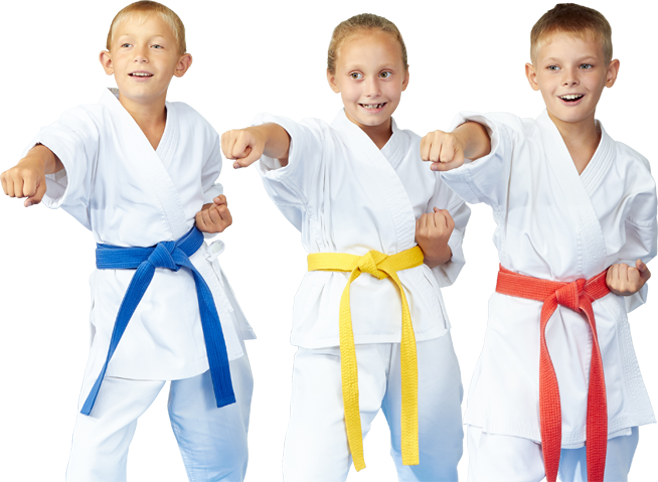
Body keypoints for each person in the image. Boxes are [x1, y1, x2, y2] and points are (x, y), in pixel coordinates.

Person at [0, 2, 255, 481]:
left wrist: (211, 219)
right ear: (107, 62)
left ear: (181, 64)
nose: (141, 55)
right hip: (130, 298)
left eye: (157, 46)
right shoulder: (91, 122)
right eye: (127, 45)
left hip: (193, 291)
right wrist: (31, 164)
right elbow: (58, 146)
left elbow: (201, 203)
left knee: (221, 436)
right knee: (98, 440)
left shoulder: (198, 130)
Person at [222, 13, 469, 482]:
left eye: (385, 73)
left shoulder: (428, 155)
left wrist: (435, 244)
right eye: (356, 75)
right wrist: (256, 137)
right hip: (338, 316)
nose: (371, 89)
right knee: (317, 461)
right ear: (333, 81)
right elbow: (283, 138)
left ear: (406, 78)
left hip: (415, 313)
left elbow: (444, 256)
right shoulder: (322, 143)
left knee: (436, 452)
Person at [422, 4, 656, 482]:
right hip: (522, 342)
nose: (569, 79)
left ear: (611, 73)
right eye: (553, 67)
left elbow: (641, 259)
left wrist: (631, 278)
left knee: (602, 457)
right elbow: (482, 136)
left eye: (585, 65)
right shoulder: (517, 141)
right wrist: (457, 142)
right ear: (533, 76)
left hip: (597, 340)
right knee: (504, 455)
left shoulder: (632, 171)